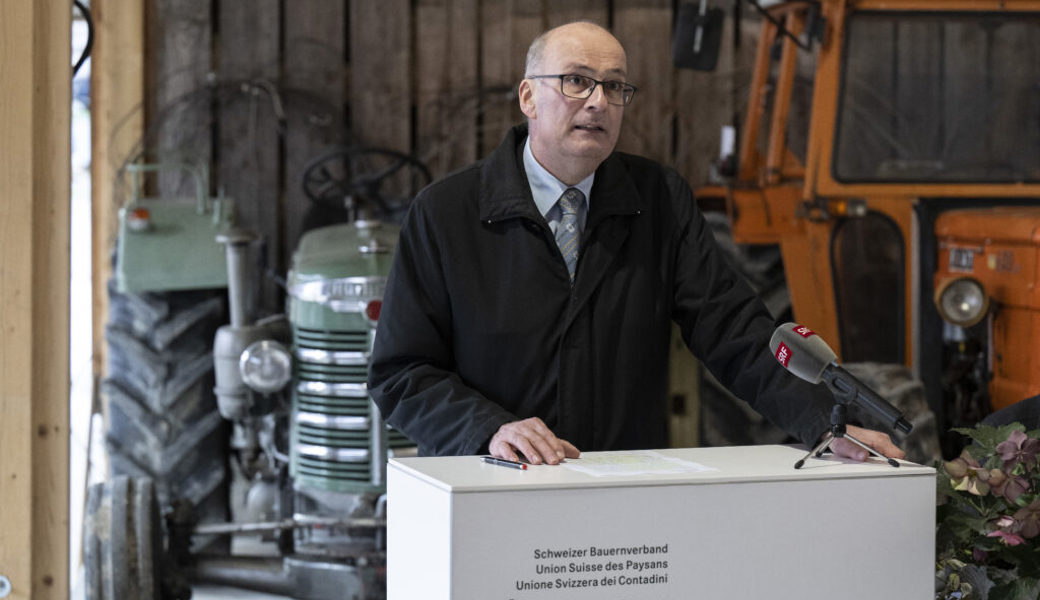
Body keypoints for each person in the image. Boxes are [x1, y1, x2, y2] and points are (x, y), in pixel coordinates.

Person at [368, 21, 905, 466]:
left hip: (621, 490)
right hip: (488, 484)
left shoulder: (659, 199)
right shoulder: (445, 213)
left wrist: (827, 423)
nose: (599, 101)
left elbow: (734, 330)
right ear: (528, 96)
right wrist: (489, 428)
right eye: (577, 81)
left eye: (615, 86)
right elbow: (402, 372)